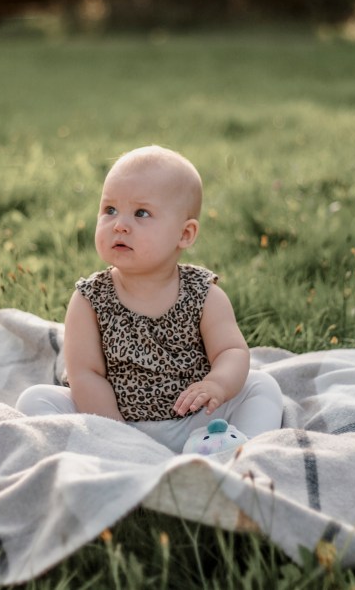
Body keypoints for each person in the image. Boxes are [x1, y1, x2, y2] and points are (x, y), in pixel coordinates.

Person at [16, 145, 285, 453]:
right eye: (110, 210)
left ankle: (235, 456)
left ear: (185, 234)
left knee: (262, 387)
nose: (119, 224)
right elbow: (85, 375)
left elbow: (232, 351)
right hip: (114, 421)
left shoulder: (204, 294)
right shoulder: (90, 298)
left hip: (196, 422)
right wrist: (115, 432)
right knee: (35, 399)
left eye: (141, 213)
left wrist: (217, 385)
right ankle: (118, 455)